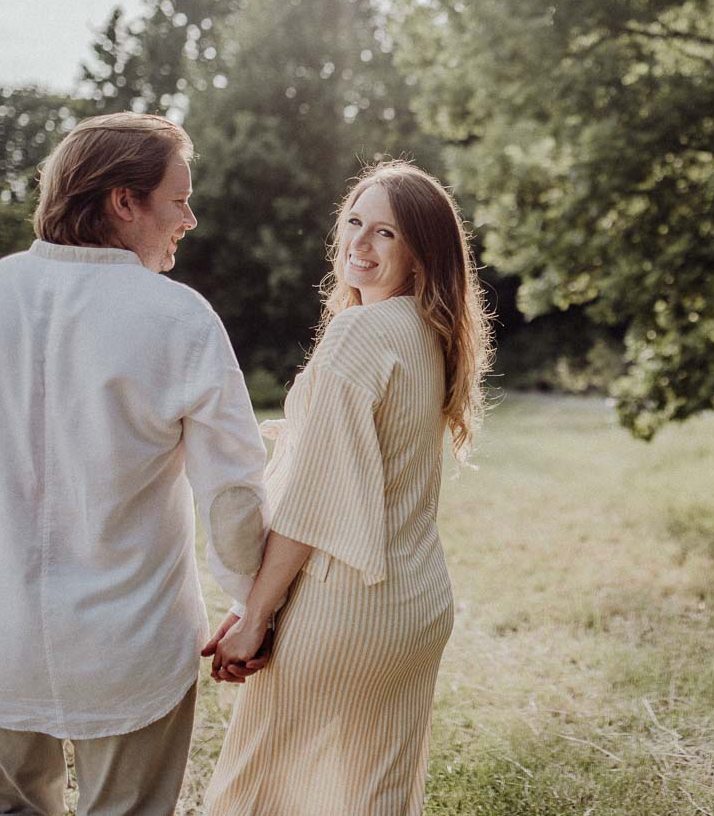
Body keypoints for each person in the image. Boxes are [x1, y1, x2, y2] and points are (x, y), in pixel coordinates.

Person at [0, 112, 269, 816]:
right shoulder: (180, 319)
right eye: (178, 198)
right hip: (133, 649)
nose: (188, 218)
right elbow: (232, 496)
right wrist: (249, 604)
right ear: (123, 201)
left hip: (0, 634)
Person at [201, 160, 494, 816]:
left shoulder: (360, 334)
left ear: (421, 253)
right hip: (416, 608)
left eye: (385, 234)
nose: (358, 245)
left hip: (348, 609)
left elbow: (312, 503)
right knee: (374, 801)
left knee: (257, 795)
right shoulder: (431, 332)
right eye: (354, 223)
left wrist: (255, 616)